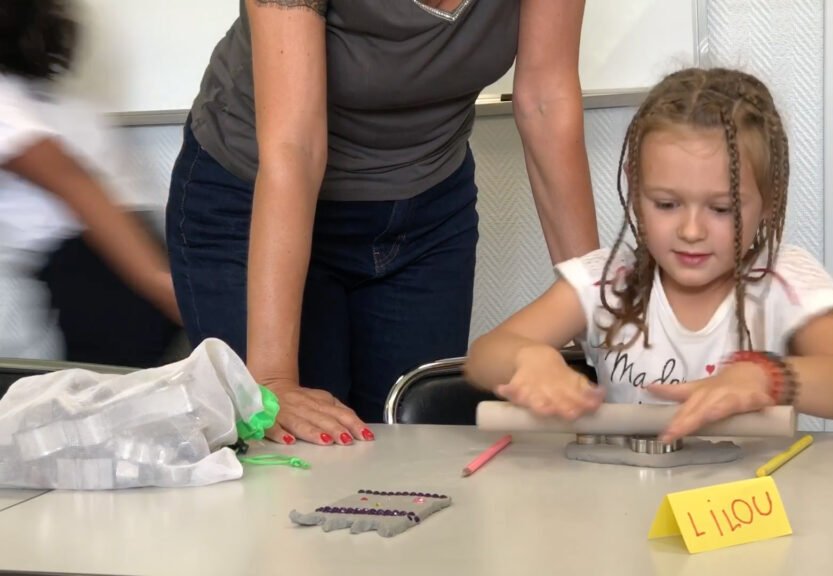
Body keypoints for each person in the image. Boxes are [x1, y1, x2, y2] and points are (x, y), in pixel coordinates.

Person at [166, 0, 598, 445]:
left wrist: (599, 313)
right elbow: (295, 148)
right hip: (257, 202)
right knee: (294, 462)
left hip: (425, 212)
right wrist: (273, 381)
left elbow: (546, 101)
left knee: (417, 460)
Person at [465, 67, 833, 441]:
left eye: (721, 209)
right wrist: (529, 358)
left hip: (749, 510)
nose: (691, 231)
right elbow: (484, 357)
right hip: (626, 503)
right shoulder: (606, 281)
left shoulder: (783, 278)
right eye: (666, 204)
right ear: (634, 186)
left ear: (768, 200)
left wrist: (767, 378)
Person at [0, 0, 179, 361]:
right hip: (134, 251)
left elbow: (80, 191)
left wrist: (174, 293)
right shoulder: (49, 102)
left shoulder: (11, 105)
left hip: (105, 270)